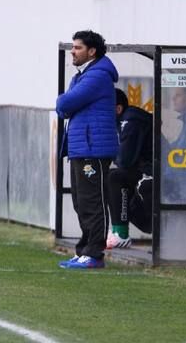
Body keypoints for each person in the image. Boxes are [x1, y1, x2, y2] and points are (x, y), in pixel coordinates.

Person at [56, 30, 119, 269]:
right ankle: (84, 250)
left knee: (93, 201)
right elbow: (64, 109)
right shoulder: (82, 75)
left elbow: (65, 103)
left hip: (94, 149)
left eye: (78, 47)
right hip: (81, 147)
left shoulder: (98, 75)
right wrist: (65, 104)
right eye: (72, 47)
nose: (73, 51)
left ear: (92, 51)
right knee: (81, 202)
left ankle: (94, 254)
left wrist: (64, 103)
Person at [105, 88, 153, 250]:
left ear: (118, 109)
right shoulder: (123, 121)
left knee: (114, 177)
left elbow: (125, 160)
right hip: (145, 170)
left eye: (105, 108)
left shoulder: (130, 121)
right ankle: (120, 231)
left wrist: (114, 155)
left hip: (154, 172)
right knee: (114, 179)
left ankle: (121, 233)